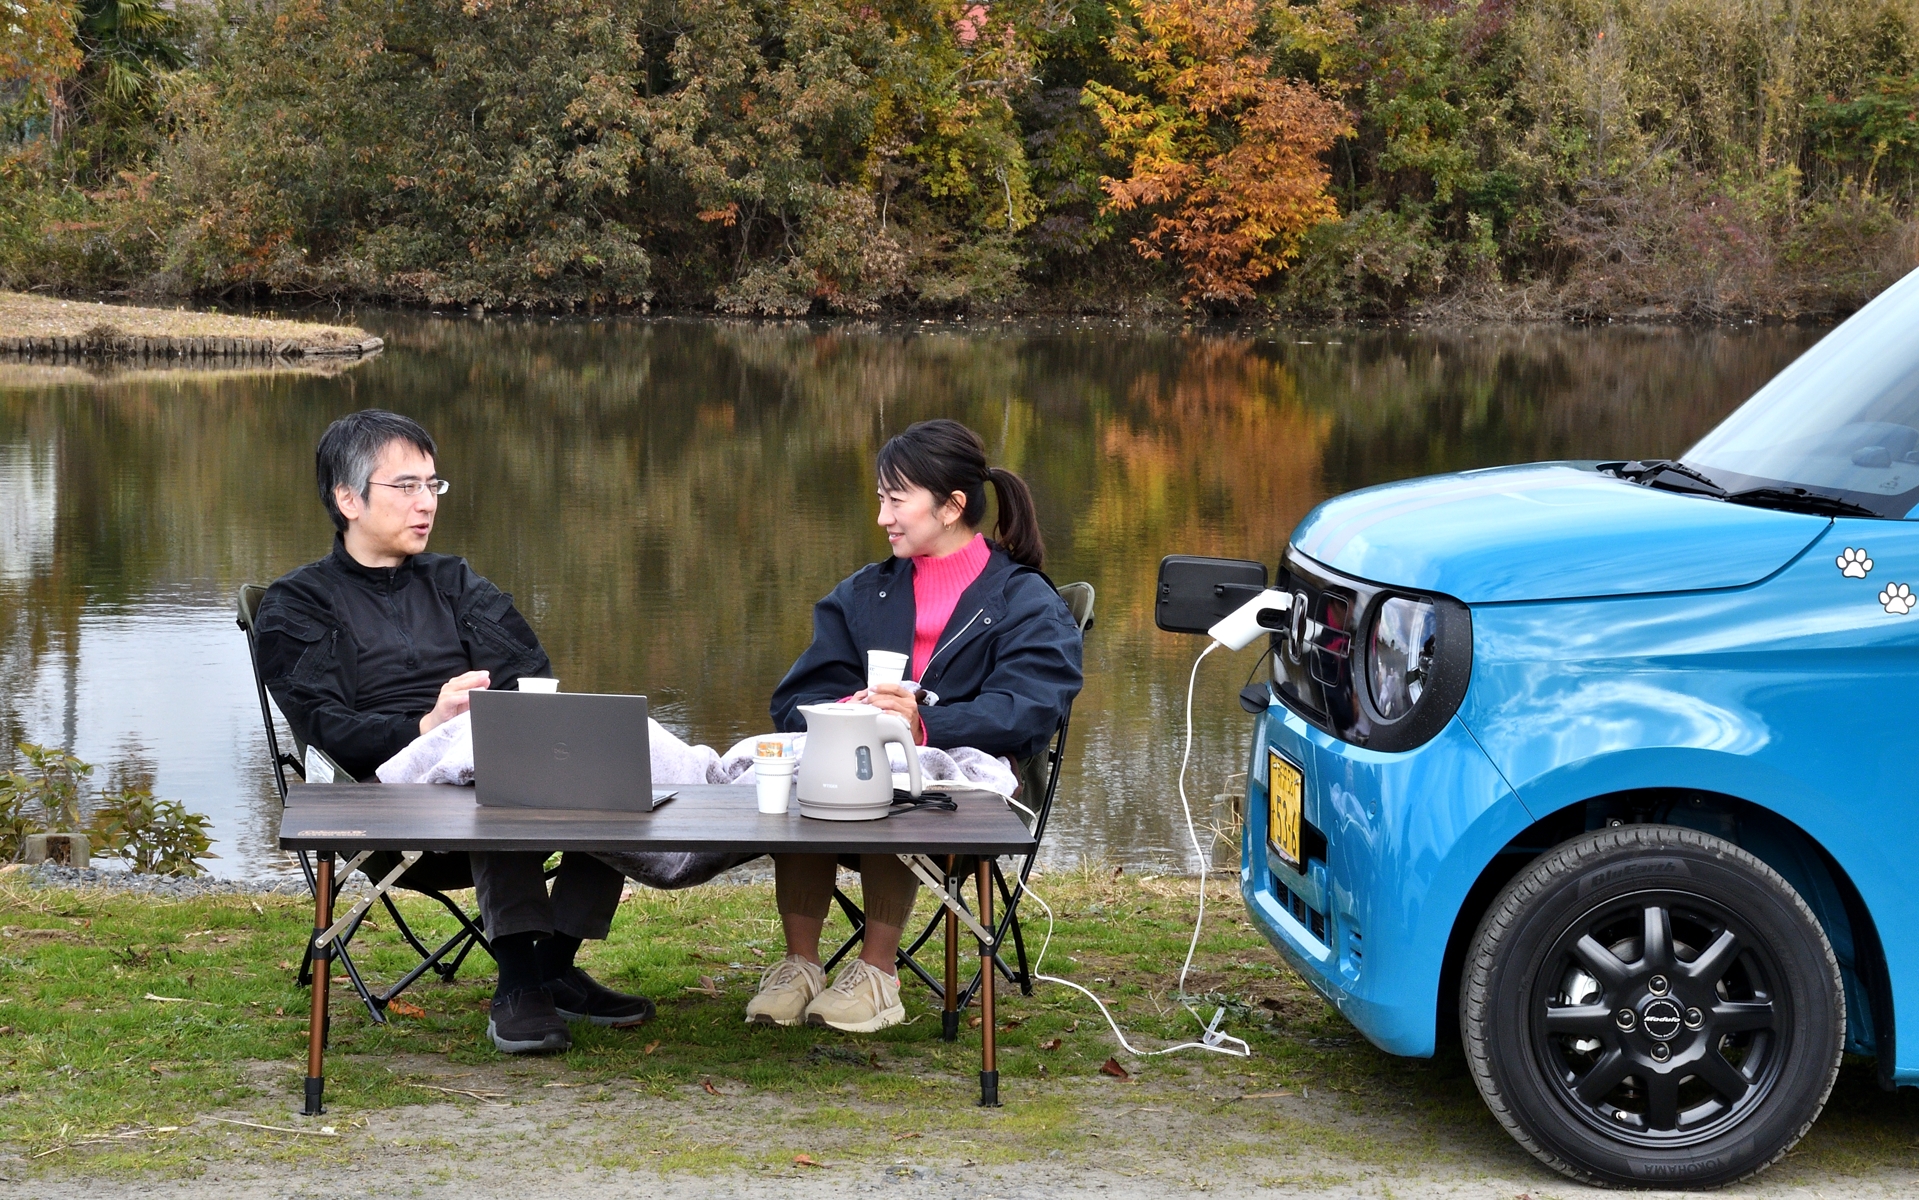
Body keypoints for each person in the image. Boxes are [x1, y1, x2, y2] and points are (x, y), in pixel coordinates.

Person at [255, 409, 652, 1055]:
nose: (426, 503)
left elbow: (531, 677)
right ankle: (518, 985)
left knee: (606, 759)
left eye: (432, 485)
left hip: (489, 766)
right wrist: (426, 726)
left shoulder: (456, 583)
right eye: (405, 486)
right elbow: (324, 728)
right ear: (348, 498)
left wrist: (498, 725)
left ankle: (552, 964)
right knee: (494, 775)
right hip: (380, 804)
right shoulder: (298, 603)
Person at [750, 419, 1084, 1032]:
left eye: (896, 500)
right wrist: (848, 712)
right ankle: (800, 967)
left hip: (967, 796)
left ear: (951, 506)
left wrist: (924, 724)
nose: (883, 517)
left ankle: (878, 975)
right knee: (804, 768)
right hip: (846, 781)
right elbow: (795, 698)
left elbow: (1029, 709)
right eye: (881, 498)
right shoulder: (864, 593)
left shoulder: (1025, 600)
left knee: (896, 780)